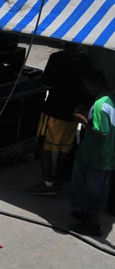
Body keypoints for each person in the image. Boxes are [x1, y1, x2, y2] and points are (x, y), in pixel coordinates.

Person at [25, 46, 94, 197]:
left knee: (44, 146)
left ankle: (48, 182)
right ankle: (57, 179)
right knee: (64, 148)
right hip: (74, 112)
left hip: (54, 109)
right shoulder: (86, 61)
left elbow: (46, 82)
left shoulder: (57, 58)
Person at [70, 81, 114, 237]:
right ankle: (84, 215)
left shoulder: (101, 104)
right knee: (97, 189)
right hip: (108, 156)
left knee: (91, 191)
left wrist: (82, 119)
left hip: (94, 156)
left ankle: (93, 226)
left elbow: (101, 133)